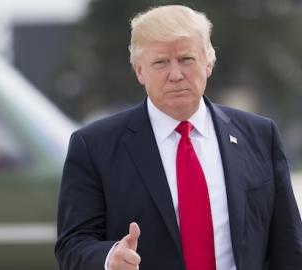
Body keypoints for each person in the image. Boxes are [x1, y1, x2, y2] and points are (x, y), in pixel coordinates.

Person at [55, 5, 302, 270]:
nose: (175, 75)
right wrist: (108, 258)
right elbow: (72, 245)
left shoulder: (260, 136)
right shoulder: (93, 146)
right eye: (160, 62)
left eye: (186, 59)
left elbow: (288, 248)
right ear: (139, 70)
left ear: (208, 62)